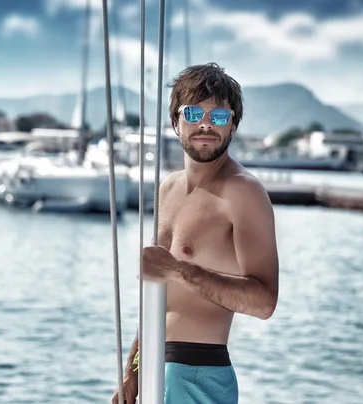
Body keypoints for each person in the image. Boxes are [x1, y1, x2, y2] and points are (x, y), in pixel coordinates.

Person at [112, 63, 279, 404]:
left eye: (218, 115)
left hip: (198, 374)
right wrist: (132, 370)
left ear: (232, 125)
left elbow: (264, 302)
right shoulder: (167, 188)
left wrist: (180, 271)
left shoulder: (244, 193)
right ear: (176, 121)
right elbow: (159, 296)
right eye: (193, 112)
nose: (205, 123)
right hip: (153, 370)